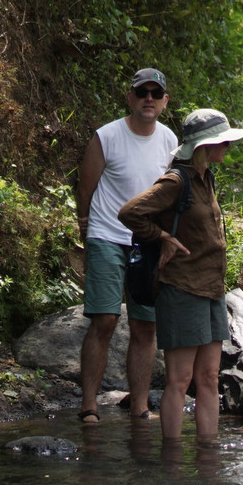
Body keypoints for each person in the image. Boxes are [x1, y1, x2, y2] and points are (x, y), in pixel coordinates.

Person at [118, 109, 243, 441]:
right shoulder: (176, 180)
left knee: (208, 377)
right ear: (205, 145)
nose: (228, 147)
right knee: (179, 379)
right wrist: (161, 238)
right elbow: (130, 212)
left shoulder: (207, 178)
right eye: (224, 141)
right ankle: (172, 459)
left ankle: (209, 453)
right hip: (181, 287)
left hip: (212, 290)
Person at [76, 68, 178, 423]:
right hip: (106, 234)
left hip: (147, 242)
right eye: (141, 92)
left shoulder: (169, 141)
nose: (148, 98)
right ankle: (89, 406)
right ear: (130, 97)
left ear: (165, 101)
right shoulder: (107, 136)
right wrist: (84, 229)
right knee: (104, 319)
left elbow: (170, 195)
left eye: (155, 93)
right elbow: (86, 187)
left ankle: (139, 406)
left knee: (145, 326)